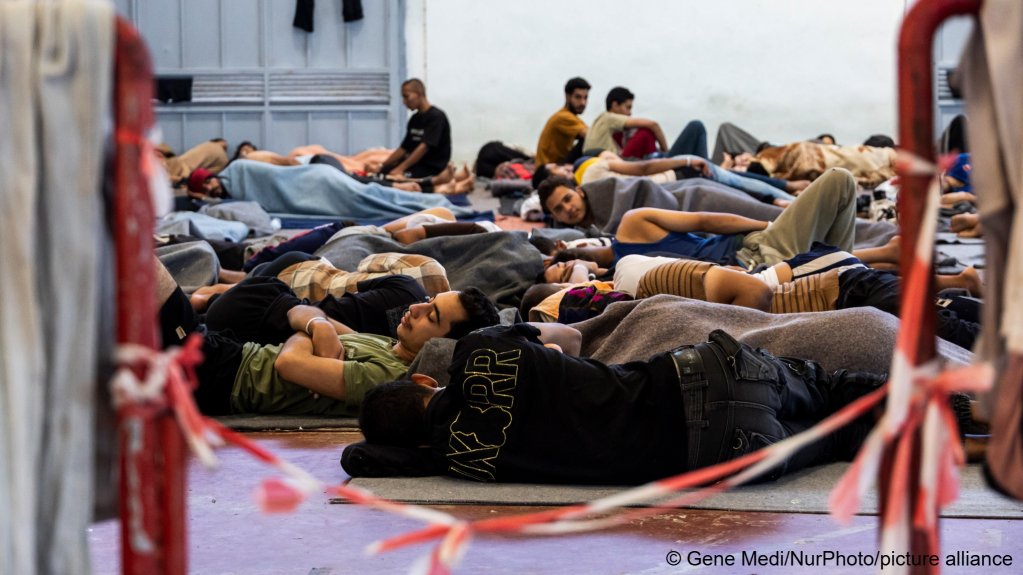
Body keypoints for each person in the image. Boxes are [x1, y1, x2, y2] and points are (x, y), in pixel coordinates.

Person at [349, 322, 891, 484]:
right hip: (699, 378)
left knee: (841, 434)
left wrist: (415, 448)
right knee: (829, 386)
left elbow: (358, 461)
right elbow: (567, 338)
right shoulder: (478, 350)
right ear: (423, 381)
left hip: (716, 453)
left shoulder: (456, 460)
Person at [156, 258, 500, 417]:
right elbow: (302, 316)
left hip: (218, 377)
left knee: (144, 267)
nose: (415, 308)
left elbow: (290, 362)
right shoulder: (387, 347)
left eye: (432, 316)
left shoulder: (387, 377)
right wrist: (316, 326)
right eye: (427, 302)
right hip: (227, 353)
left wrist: (313, 326)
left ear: (441, 346)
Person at [538, 167, 858, 270]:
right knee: (840, 179)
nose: (566, 209)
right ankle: (843, 268)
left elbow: (704, 218)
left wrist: (767, 225)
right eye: (558, 209)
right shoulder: (617, 270)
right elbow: (705, 221)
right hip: (753, 258)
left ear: (579, 191)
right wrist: (768, 229)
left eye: (566, 199)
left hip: (751, 248)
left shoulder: (627, 227)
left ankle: (842, 267)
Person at [569, 151, 797, 205]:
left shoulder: (592, 195)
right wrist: (686, 160)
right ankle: (789, 197)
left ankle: (784, 196)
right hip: (679, 175)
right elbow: (643, 167)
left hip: (671, 192)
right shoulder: (595, 169)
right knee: (738, 183)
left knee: (736, 190)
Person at [377, 79, 452, 179]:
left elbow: (423, 148)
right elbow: (404, 148)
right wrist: (382, 165)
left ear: (419, 94)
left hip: (431, 167)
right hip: (416, 165)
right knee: (380, 174)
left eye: (406, 96)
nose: (404, 101)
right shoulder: (414, 119)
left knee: (393, 179)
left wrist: (401, 169)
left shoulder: (437, 117)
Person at [582, 87, 669, 158]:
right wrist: (666, 151)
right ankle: (658, 158)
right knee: (646, 132)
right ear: (615, 105)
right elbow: (653, 124)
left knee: (623, 133)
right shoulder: (608, 118)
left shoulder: (601, 122)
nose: (630, 113)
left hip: (602, 159)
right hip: (613, 162)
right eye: (628, 107)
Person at [534, 77, 591, 170]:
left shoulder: (570, 117)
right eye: (578, 97)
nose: (583, 103)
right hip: (548, 169)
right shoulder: (563, 117)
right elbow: (591, 136)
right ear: (567, 96)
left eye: (585, 98)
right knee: (588, 141)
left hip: (557, 163)